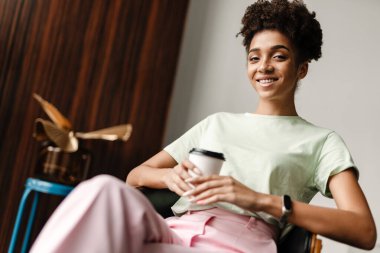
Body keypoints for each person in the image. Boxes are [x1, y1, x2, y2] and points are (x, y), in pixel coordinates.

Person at [30, 0, 377, 252]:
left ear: (301, 68)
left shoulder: (321, 142)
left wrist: (260, 199)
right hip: (172, 231)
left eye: (279, 55)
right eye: (254, 57)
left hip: (237, 243)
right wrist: (169, 177)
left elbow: (363, 230)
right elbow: (136, 176)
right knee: (103, 189)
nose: (264, 66)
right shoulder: (217, 123)